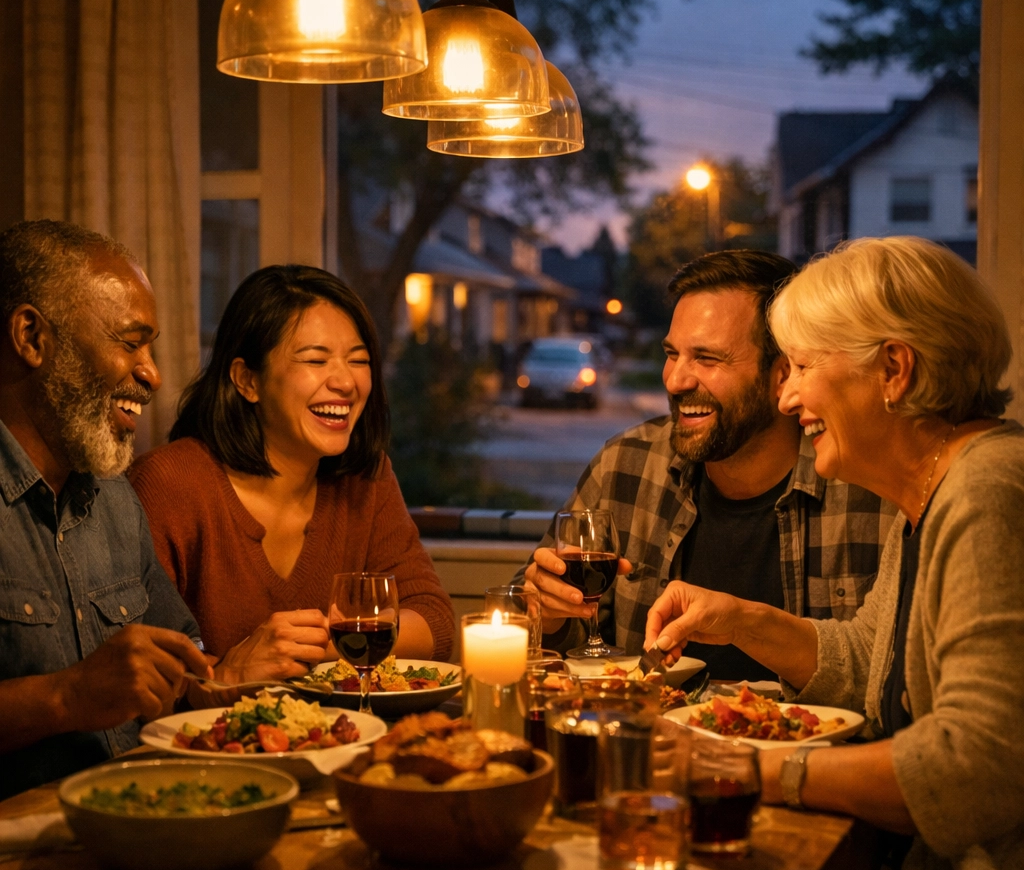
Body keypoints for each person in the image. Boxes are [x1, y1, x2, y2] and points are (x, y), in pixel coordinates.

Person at [647, 236, 1024, 870]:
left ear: (894, 369)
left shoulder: (987, 491)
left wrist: (757, 771)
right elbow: (868, 656)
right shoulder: (932, 494)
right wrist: (741, 621)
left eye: (803, 368)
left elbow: (974, 767)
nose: (787, 397)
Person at [523, 250, 895, 678]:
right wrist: (547, 615)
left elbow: (889, 679)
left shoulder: (866, 485)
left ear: (783, 374)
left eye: (707, 358)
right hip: (652, 738)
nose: (675, 380)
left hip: (806, 740)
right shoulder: (626, 464)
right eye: (671, 354)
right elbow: (533, 619)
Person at [129, 265, 454, 688]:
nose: (345, 382)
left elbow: (434, 619)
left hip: (341, 738)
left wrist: (319, 643)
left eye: (359, 360)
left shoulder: (366, 478)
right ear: (247, 380)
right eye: (316, 360)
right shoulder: (170, 483)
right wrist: (230, 670)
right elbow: (138, 668)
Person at [0, 219, 211, 800]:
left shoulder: (114, 496)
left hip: (137, 818)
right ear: (31, 337)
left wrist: (225, 671)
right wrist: (67, 697)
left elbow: (183, 652)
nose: (153, 373)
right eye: (129, 342)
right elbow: (86, 691)